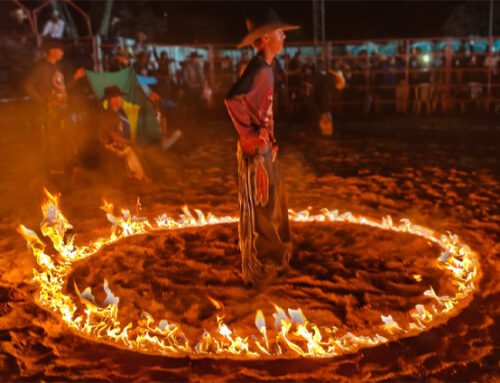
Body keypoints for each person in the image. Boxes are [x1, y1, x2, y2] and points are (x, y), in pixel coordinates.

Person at [225, 9, 297, 285]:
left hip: (265, 147)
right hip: (257, 151)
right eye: (280, 33)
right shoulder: (258, 69)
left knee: (274, 199)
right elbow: (233, 100)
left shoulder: (263, 68)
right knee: (263, 204)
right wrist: (251, 134)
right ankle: (266, 263)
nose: (284, 36)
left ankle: (277, 254)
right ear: (266, 38)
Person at [24, 39, 85, 174]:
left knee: (67, 135)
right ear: (52, 51)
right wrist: (43, 101)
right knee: (53, 138)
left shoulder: (58, 67)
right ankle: (55, 167)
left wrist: (75, 76)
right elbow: (28, 85)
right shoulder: (41, 67)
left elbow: (64, 88)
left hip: (62, 107)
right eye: (60, 50)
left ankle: (67, 164)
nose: (62, 53)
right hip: (51, 110)